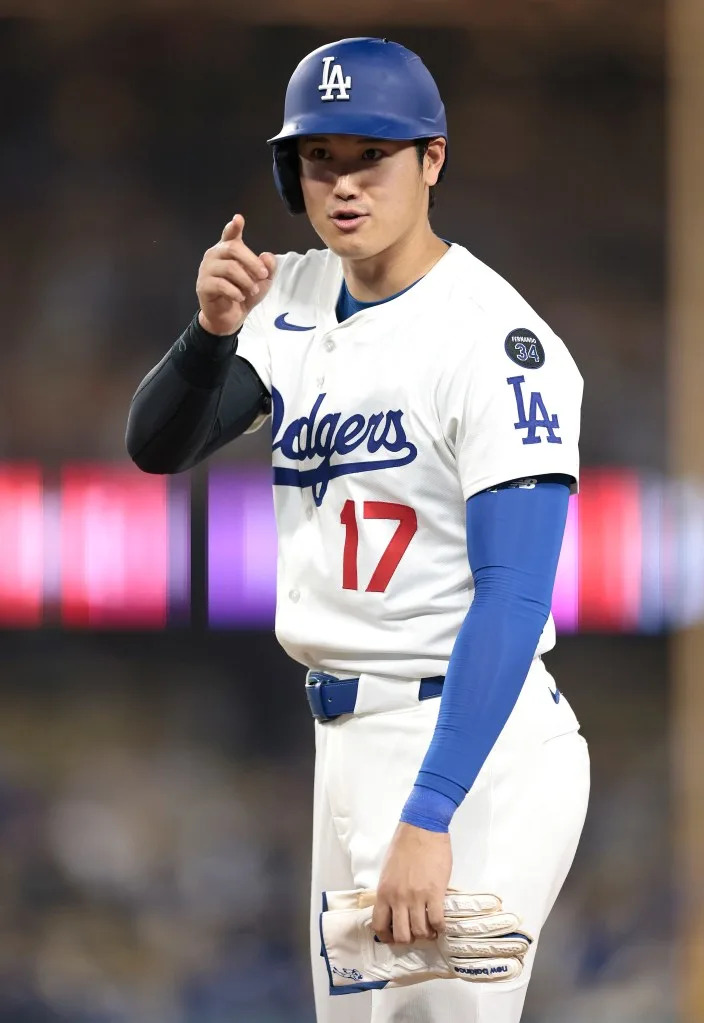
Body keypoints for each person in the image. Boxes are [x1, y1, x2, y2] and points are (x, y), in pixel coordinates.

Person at [126, 36, 590, 1023]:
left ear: (429, 159)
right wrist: (207, 337)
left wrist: (432, 813)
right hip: (345, 747)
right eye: (319, 157)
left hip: (471, 753)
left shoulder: (494, 344)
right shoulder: (288, 294)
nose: (341, 182)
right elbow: (158, 447)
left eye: (368, 155)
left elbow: (513, 594)